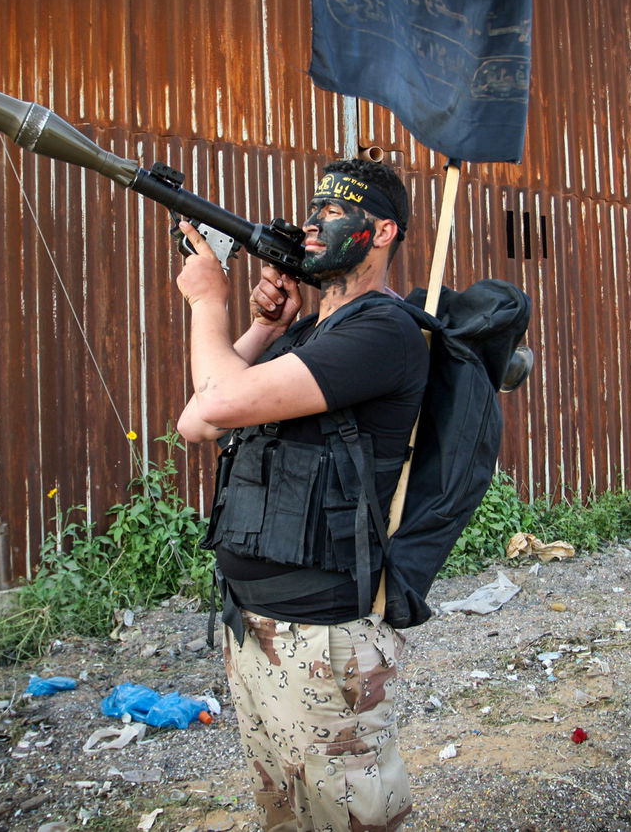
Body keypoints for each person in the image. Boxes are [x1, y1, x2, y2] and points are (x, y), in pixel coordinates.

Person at [174, 158, 427, 832]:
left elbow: (220, 399)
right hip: (255, 629)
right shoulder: (313, 334)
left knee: (344, 818)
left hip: (322, 637)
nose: (313, 224)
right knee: (284, 816)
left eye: (334, 212)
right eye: (313, 210)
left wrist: (208, 303)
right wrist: (261, 325)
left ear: (380, 233)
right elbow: (194, 420)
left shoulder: (384, 331)